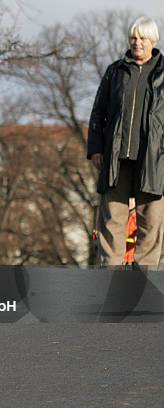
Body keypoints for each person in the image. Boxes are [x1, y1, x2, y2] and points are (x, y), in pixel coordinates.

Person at [87, 17, 164, 268]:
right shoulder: (115, 71)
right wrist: (96, 149)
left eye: (142, 38)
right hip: (117, 160)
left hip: (154, 160)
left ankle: (144, 280)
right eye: (133, 37)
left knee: (151, 223)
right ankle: (110, 276)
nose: (137, 42)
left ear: (153, 40)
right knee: (112, 221)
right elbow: (98, 113)